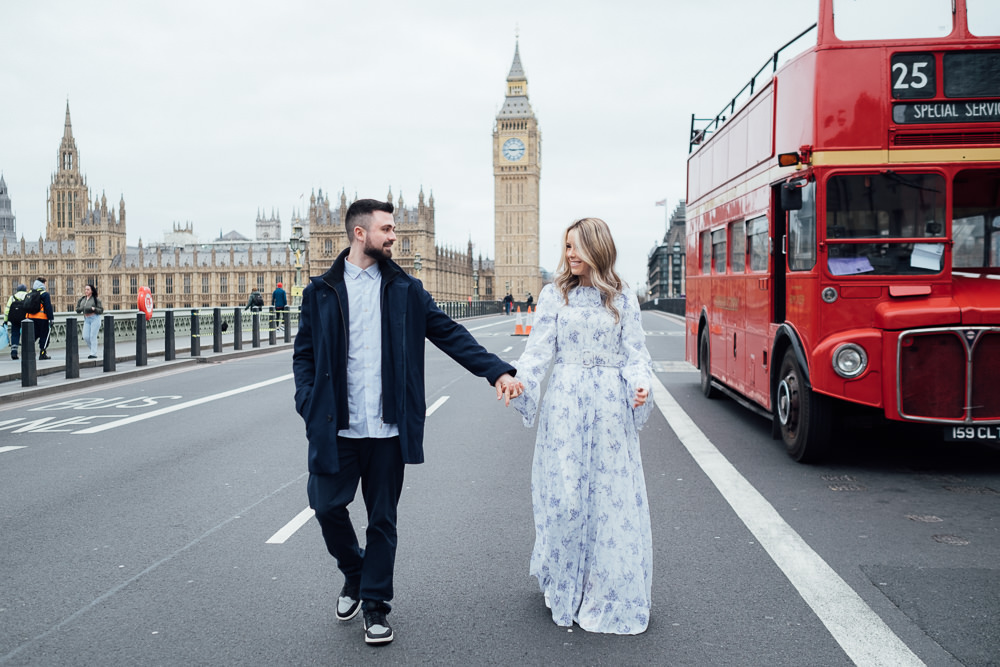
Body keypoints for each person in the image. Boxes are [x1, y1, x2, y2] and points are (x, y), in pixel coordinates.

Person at [292, 198, 522, 646]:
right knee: (324, 507)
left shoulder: (406, 289)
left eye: (395, 229)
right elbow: (304, 354)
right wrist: (307, 400)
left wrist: (496, 369)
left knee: (383, 520)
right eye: (387, 230)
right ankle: (355, 573)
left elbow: (448, 332)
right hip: (336, 425)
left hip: (387, 428)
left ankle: (376, 606)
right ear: (360, 234)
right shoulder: (320, 291)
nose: (395, 237)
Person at [507, 217, 653, 635]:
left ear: (596, 248)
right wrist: (521, 382)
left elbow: (636, 354)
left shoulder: (623, 297)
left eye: (577, 246)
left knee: (608, 499)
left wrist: (639, 386)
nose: (570, 254)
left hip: (609, 406)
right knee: (567, 496)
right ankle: (564, 582)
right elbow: (537, 351)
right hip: (566, 403)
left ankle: (602, 590)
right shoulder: (554, 295)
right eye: (566, 246)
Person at [27, 277, 55, 360]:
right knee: (44, 336)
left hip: (31, 318)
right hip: (42, 318)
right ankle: (42, 353)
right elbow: (48, 307)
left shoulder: (30, 293)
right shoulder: (44, 294)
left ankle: (29, 353)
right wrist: (51, 319)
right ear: (42, 284)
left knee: (32, 336)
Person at [75, 283, 104, 359]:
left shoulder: (96, 299)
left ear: (92, 291)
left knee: (92, 336)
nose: (86, 291)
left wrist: (94, 309)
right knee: (85, 336)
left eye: (88, 289)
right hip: (86, 319)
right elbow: (77, 309)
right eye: (85, 289)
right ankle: (93, 350)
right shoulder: (82, 299)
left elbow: (101, 310)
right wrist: (82, 308)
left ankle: (93, 353)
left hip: (95, 318)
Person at [3, 283, 28, 360]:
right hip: (25, 319)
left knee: (15, 335)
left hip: (15, 319)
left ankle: (14, 352)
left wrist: (5, 321)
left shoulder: (12, 297)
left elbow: (7, 309)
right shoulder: (28, 296)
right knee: (26, 335)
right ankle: (26, 353)